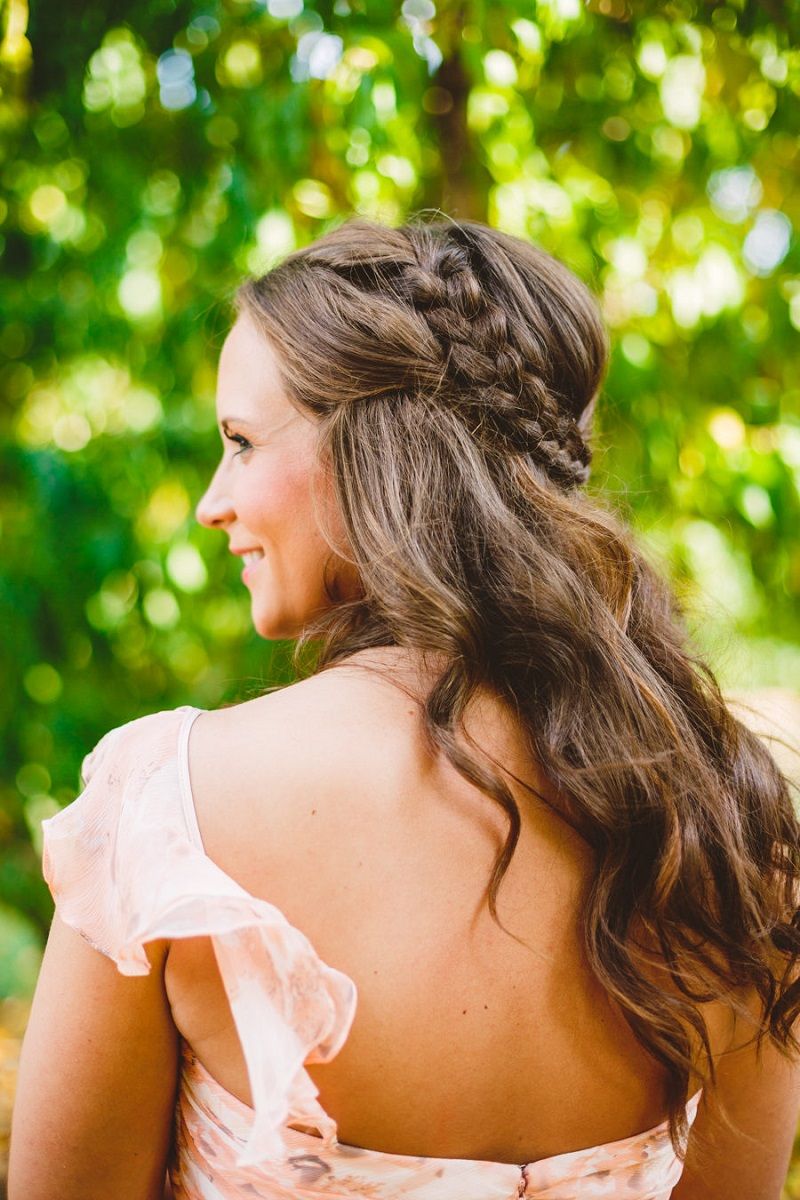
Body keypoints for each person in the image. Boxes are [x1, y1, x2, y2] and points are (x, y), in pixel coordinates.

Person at [9, 214, 800, 1200]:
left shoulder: (165, 818)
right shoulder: (730, 839)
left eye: (243, 442)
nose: (213, 501)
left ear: (369, 453)